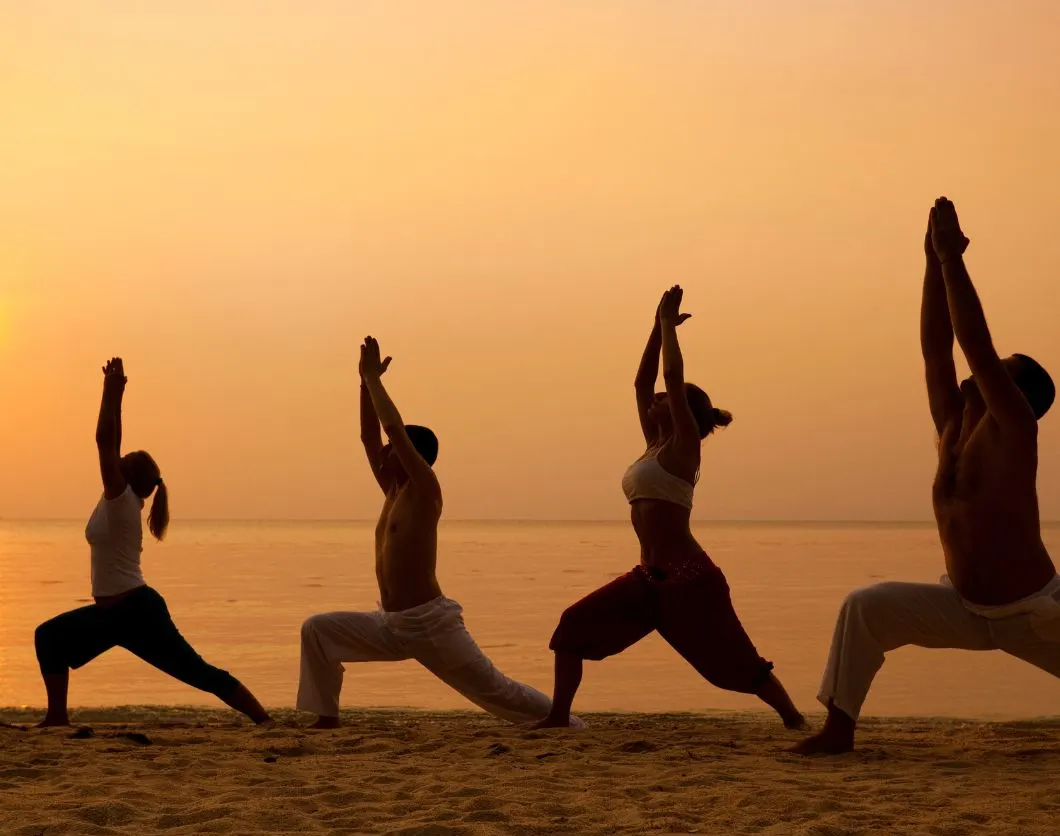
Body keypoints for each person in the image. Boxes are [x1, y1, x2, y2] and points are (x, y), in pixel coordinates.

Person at [795, 198, 1059, 755]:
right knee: (865, 607)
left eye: (999, 376)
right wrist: (929, 265)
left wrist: (951, 259)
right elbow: (936, 351)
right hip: (966, 608)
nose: (974, 377)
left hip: (1038, 614)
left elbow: (975, 348)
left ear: (1016, 396)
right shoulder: (952, 429)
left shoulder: (1014, 428)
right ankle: (838, 732)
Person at [532, 286, 804, 729]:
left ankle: (792, 717)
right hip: (646, 581)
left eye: (666, 399)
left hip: (691, 582)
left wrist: (669, 330)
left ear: (684, 413)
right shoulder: (651, 445)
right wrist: (655, 328)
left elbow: (672, 380)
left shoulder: (683, 447)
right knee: (572, 628)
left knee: (733, 666)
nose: (656, 397)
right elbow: (642, 382)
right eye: (656, 398)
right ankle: (559, 716)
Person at [297, 336, 578, 729]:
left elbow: (391, 429)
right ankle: (327, 718)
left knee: (497, 691)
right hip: (391, 624)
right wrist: (362, 382)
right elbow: (369, 436)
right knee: (318, 630)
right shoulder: (392, 491)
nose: (382, 452)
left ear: (411, 455)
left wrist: (376, 381)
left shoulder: (425, 491)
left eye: (392, 448)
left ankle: (566, 722)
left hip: (429, 624)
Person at [33, 358, 271, 727]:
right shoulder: (121, 500)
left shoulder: (120, 500)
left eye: (121, 461)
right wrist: (120, 395)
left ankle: (264, 720)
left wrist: (107, 391)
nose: (116, 458)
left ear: (126, 476)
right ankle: (56, 718)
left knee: (197, 672)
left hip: (137, 613)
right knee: (49, 638)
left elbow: (103, 440)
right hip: (114, 615)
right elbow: (114, 441)